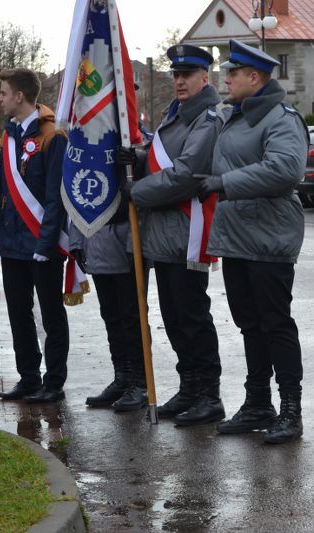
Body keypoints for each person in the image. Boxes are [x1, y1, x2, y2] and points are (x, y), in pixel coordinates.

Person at [195, 39, 308, 444]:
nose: (225, 79)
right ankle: (257, 402)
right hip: (238, 236)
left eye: (233, 73)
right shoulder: (236, 118)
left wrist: (224, 183)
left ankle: (290, 410)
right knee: (250, 325)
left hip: (270, 235)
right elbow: (210, 163)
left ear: (254, 77)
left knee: (276, 324)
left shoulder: (280, 118)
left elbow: (285, 170)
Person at [118, 44, 224, 426]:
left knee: (193, 316)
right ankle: (189, 388)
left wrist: (138, 192)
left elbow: (186, 173)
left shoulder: (207, 120)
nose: (179, 81)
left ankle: (209, 395)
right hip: (164, 235)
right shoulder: (177, 114)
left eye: (187, 75)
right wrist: (140, 156)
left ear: (204, 78)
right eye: (176, 75)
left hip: (187, 232)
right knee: (175, 317)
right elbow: (163, 155)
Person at [0, 68, 70, 404]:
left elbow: (55, 197)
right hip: (12, 243)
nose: (0, 98)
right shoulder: (7, 136)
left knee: (50, 314)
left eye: (4, 93)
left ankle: (54, 381)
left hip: (42, 245)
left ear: (19, 96)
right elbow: (2, 192)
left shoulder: (53, 136)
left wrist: (46, 242)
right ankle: (29, 377)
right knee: (18, 314)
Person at [69, 205, 147, 411]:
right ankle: (122, 378)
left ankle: (140, 382)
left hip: (123, 243)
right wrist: (77, 240)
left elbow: (137, 203)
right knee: (111, 318)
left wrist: (134, 242)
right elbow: (77, 199)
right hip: (95, 241)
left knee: (132, 319)